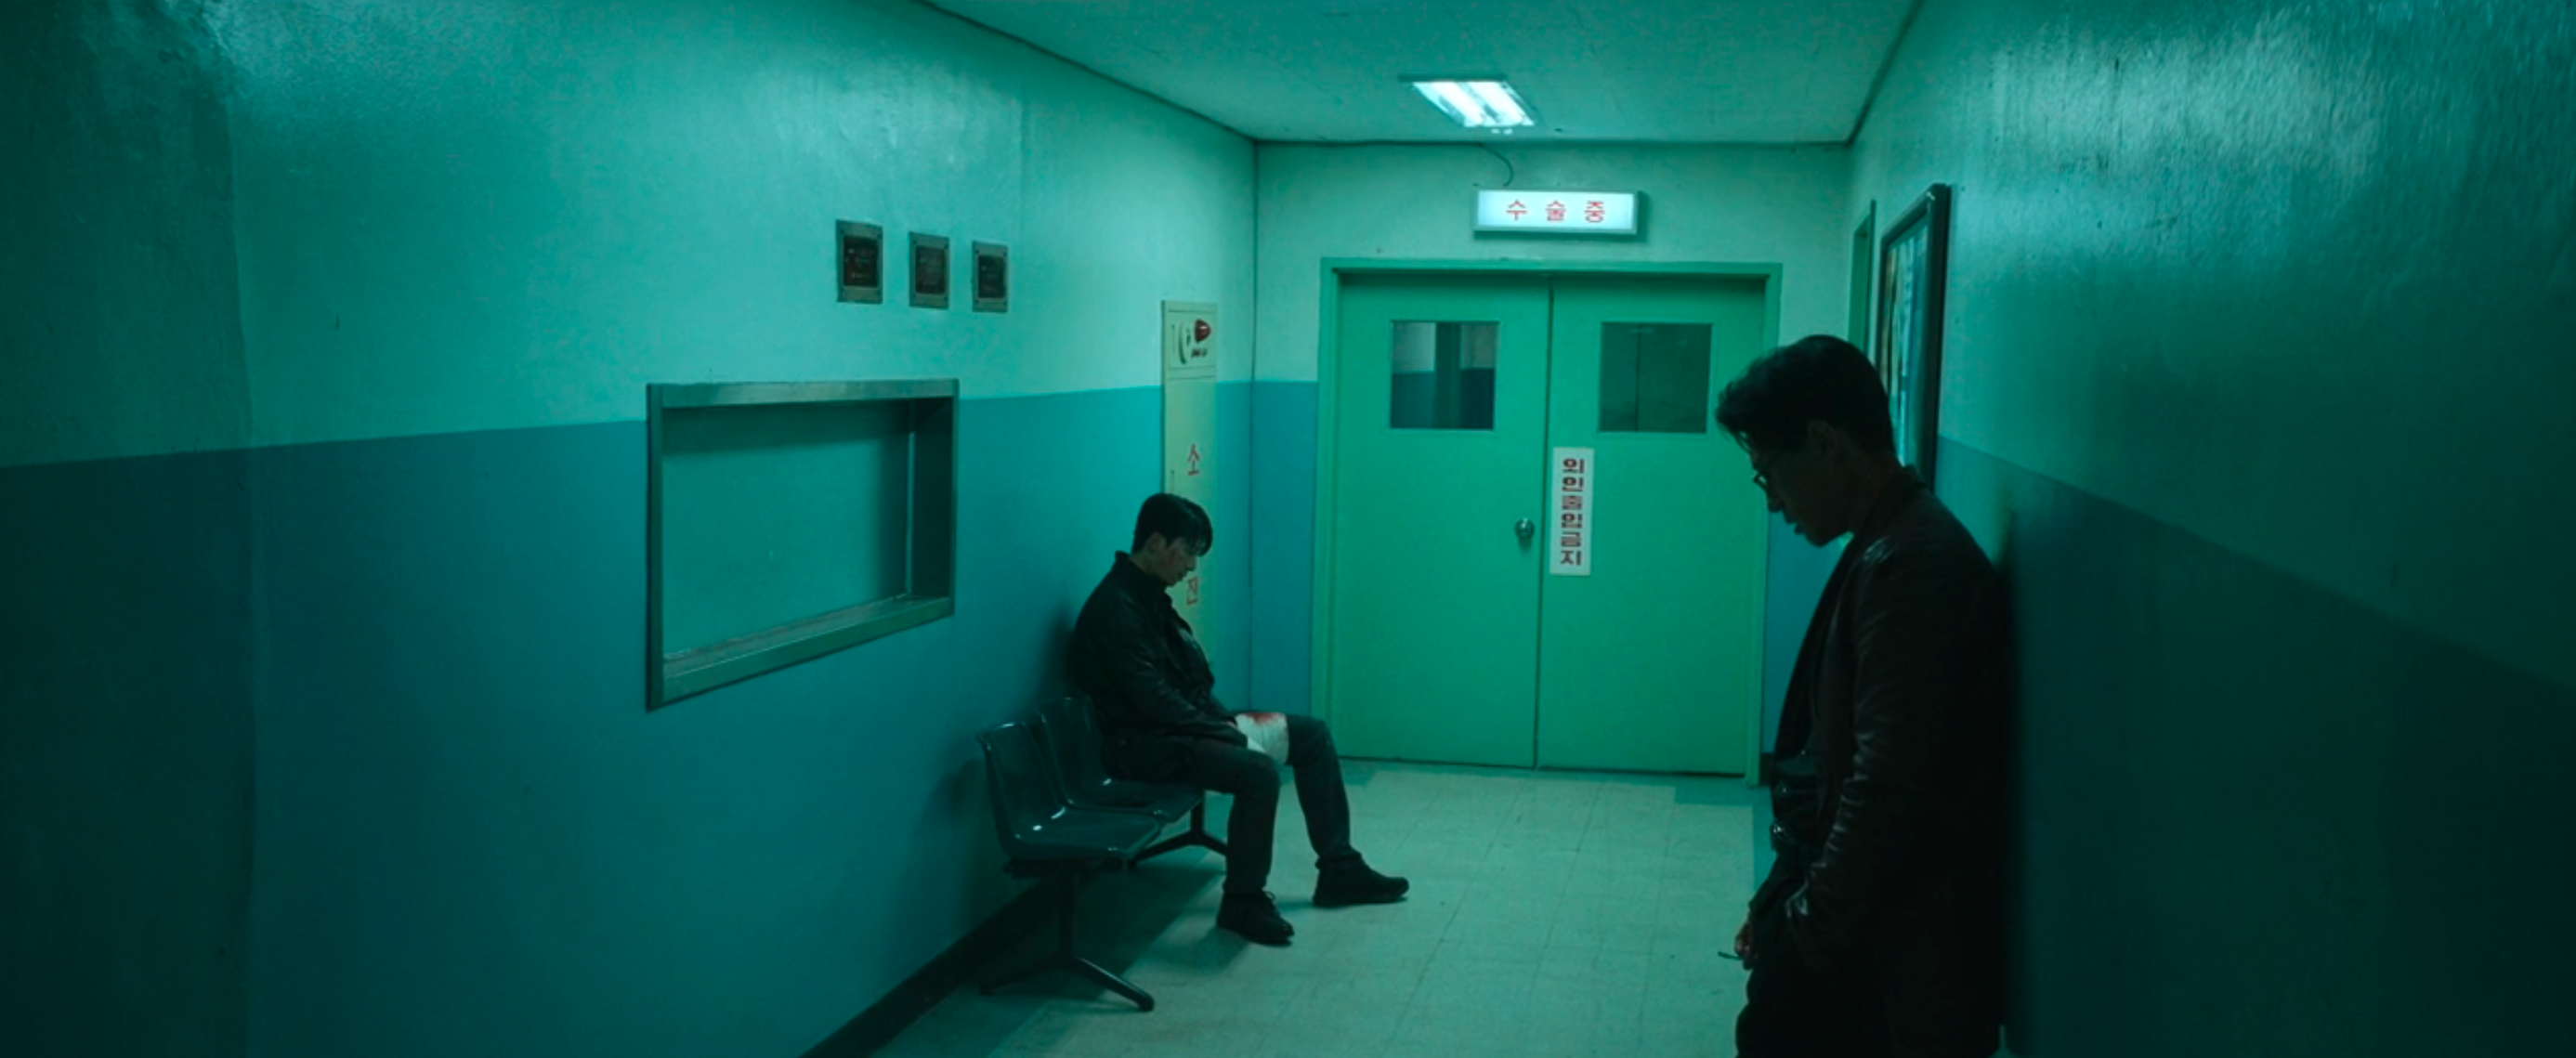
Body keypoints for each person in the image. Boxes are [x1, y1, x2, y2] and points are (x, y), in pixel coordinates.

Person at [1717, 336, 2008, 1058]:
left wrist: (1804, 930)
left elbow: (1885, 786)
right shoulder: (1888, 544)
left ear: (1823, 442)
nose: (1772, 501)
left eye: (1769, 473)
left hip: (1888, 961)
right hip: (1872, 938)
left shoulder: (1909, 567)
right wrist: (1782, 895)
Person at [1068, 492, 1408, 946]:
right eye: (1187, 552)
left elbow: (1186, 687)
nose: (1191, 566)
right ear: (1155, 542)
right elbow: (1153, 701)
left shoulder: (1150, 599)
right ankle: (1242, 902)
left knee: (1312, 735)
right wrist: (1224, 731)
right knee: (1257, 773)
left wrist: (1223, 724)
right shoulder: (1115, 609)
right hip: (1142, 746)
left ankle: (1340, 869)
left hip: (1180, 730)